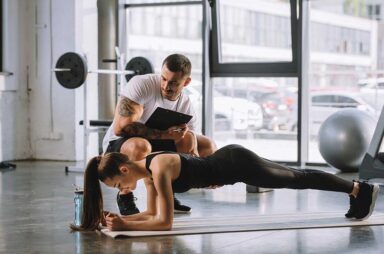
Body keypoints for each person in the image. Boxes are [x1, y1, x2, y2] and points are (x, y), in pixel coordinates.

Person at [72, 141, 380, 231]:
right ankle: (357, 190)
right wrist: (122, 221)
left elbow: (164, 223)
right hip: (231, 164)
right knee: (296, 176)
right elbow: (152, 214)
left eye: (118, 183)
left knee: (297, 179)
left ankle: (359, 189)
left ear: (124, 169)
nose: (122, 189)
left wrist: (125, 223)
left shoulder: (159, 167)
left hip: (236, 163)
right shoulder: (150, 174)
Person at [102, 53, 217, 215]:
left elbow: (193, 143)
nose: (166, 86)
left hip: (156, 143)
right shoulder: (142, 84)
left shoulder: (185, 104)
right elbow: (121, 128)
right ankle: (125, 195)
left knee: (205, 144)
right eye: (163, 79)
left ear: (187, 82)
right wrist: (166, 135)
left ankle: (168, 193)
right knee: (140, 146)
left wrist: (208, 173)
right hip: (121, 144)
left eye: (173, 83)